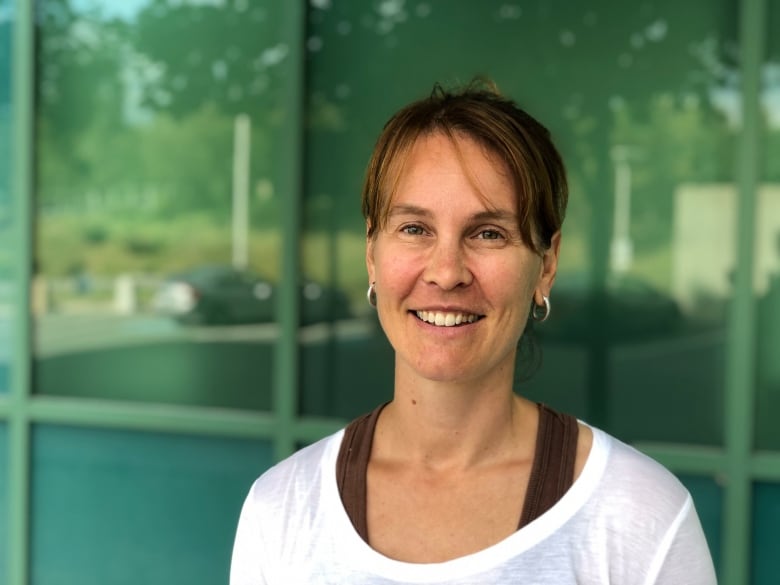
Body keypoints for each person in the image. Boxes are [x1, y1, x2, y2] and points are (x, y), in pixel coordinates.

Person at [230, 80, 717, 584]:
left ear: (546, 264)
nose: (446, 272)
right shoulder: (280, 509)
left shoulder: (640, 516)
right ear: (372, 253)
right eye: (415, 229)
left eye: (488, 233)